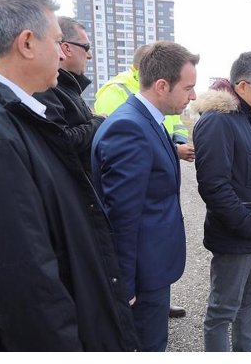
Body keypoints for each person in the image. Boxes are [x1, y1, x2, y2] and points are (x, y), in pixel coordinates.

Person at [0, 0, 139, 351]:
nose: (62, 56)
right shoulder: (4, 133)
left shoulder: (23, 117)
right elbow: (27, 278)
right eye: (56, 42)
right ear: (27, 43)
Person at [91, 41, 198, 351]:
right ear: (162, 86)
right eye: (188, 88)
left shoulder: (149, 119)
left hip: (151, 267)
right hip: (142, 275)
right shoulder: (129, 127)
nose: (192, 96)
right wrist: (124, 284)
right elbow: (122, 216)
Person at [193, 53, 251, 352]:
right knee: (222, 310)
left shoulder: (248, 119)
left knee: (250, 300)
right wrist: (249, 225)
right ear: (242, 87)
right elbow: (214, 186)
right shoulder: (217, 121)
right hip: (237, 236)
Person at [95, 44, 195, 164]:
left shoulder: (162, 96)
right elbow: (122, 141)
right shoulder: (114, 90)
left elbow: (175, 123)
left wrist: (177, 143)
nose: (193, 96)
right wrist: (175, 149)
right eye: (187, 88)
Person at [32, 16, 104, 174]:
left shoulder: (68, 87)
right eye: (86, 47)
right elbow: (62, 141)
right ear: (66, 48)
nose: (90, 55)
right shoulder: (46, 88)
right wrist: (99, 122)